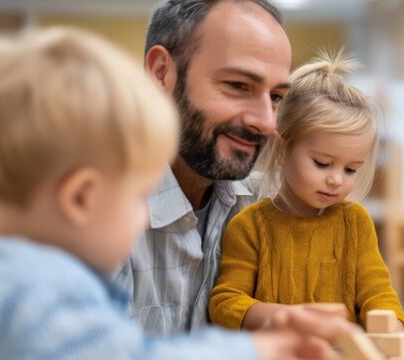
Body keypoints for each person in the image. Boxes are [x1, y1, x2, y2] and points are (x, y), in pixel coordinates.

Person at [0, 28, 350, 359]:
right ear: (80, 198)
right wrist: (260, 350)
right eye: (135, 196)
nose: (144, 217)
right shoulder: (36, 294)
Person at [112, 0, 295, 336]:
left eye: (276, 97)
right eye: (239, 85)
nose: (267, 122)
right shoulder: (91, 218)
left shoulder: (262, 206)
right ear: (161, 72)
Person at [209, 53, 404, 332]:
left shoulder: (355, 223)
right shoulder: (250, 226)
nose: (337, 180)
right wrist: (288, 318)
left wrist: (392, 329)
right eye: (323, 164)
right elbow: (225, 303)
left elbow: (379, 295)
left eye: (351, 170)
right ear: (281, 150)